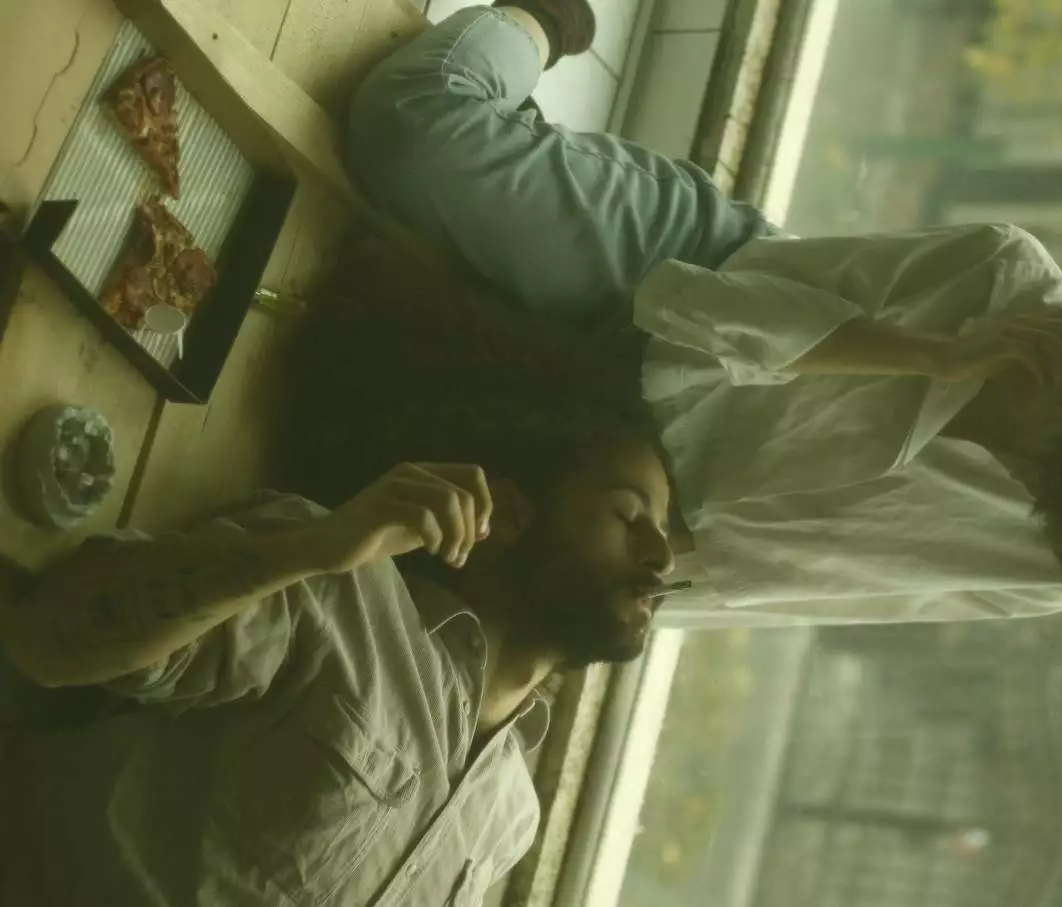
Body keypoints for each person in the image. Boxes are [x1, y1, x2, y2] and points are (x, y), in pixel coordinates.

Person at [345, 2, 1062, 630]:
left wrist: (587, 593)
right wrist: (933, 353)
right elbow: (697, 311)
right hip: (669, 287)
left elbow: (760, 580)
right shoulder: (1002, 278)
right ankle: (541, 25)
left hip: (625, 486)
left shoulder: (1046, 569)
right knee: (412, 140)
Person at [0, 329, 675, 906]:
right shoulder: (335, 593)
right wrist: (308, 552)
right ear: (513, 517)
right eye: (629, 514)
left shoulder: (510, 817)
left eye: (664, 533)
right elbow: (42, 639)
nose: (663, 557)